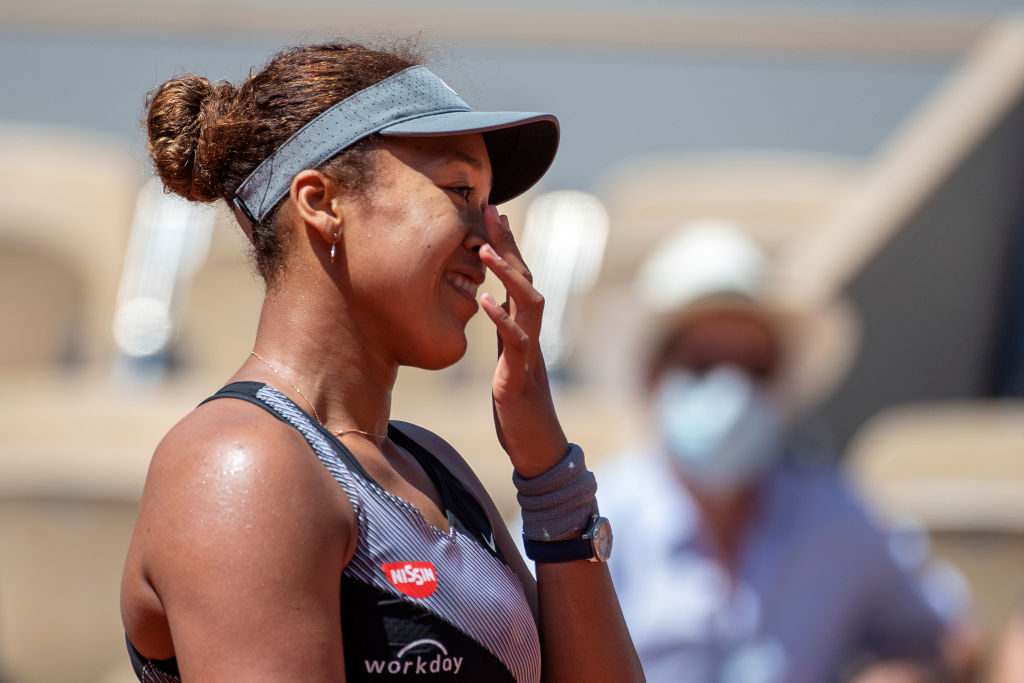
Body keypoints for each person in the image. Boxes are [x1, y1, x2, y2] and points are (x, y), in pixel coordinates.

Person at [120, 41, 643, 683]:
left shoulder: (435, 467)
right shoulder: (241, 466)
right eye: (460, 191)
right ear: (322, 203)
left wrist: (548, 473)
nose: (489, 238)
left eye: (488, 204)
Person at [593, 220, 970, 683]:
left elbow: (951, 638)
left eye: (754, 368)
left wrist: (903, 674)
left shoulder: (838, 517)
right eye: (702, 363)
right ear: (652, 376)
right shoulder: (589, 521)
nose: (730, 390)